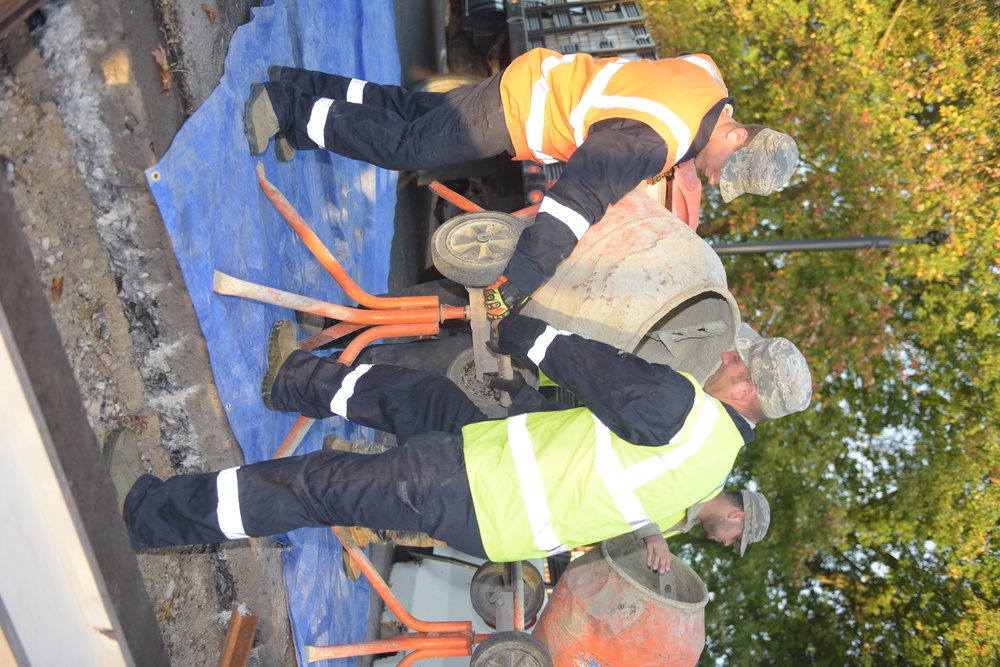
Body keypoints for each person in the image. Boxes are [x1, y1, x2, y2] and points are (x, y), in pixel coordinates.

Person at [121, 313, 811, 563]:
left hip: (480, 487)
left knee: (317, 485)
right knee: (421, 398)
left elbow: (597, 370)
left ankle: (146, 515)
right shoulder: (709, 465)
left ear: (746, 389)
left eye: (736, 361)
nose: (724, 357)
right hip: (494, 487)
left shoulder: (685, 407)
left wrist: (528, 329)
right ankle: (295, 380)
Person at [243, 49, 800, 319]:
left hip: (538, 79)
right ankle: (288, 108)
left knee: (411, 111)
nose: (712, 175)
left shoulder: (707, 80)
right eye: (726, 169)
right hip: (519, 114)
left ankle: (300, 89)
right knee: (407, 147)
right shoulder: (662, 139)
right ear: (739, 136)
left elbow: (642, 85)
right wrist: (521, 280)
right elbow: (575, 202)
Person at [638, 489, 769, 574]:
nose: (727, 543)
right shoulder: (695, 482)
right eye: (735, 538)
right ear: (737, 516)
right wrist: (650, 532)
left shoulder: (689, 521)